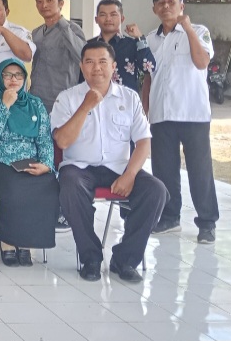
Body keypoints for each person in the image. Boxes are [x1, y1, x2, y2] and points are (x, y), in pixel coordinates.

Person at [53, 42, 167, 282]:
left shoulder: (130, 97)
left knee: (156, 190)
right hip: (80, 168)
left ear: (114, 66)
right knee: (70, 185)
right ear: (81, 67)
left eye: (103, 62)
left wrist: (131, 174)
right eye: (90, 62)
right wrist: (85, 106)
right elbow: (62, 141)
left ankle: (125, 259)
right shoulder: (68, 98)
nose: (97, 68)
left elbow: (144, 141)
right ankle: (91, 258)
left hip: (118, 168)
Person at [145, 0, 218, 243]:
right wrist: (146, 110)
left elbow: (202, 62)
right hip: (161, 114)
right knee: (164, 170)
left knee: (200, 171)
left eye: (171, 2)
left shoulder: (198, 31)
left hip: (193, 113)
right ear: (154, 9)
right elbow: (148, 79)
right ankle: (169, 217)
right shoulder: (150, 40)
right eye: (161, 3)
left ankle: (207, 222)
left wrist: (187, 29)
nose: (166, 6)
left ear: (181, 6)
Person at [0, 59, 57, 266]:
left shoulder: (36, 104)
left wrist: (47, 164)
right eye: (7, 75)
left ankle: (27, 242)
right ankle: (8, 242)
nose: (13, 80)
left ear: (25, 78)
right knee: (13, 188)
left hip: (28, 161)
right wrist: (5, 105)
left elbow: (44, 139)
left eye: (18, 75)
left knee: (46, 184)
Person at [29, 0, 85, 113]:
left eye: (49, 0)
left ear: (61, 3)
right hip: (36, 97)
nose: (44, 5)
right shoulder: (36, 32)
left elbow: (82, 56)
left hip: (62, 98)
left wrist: (63, 24)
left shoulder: (73, 29)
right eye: (39, 1)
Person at [93, 0, 155, 99]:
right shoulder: (89, 46)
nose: (108, 19)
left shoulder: (133, 44)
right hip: (95, 102)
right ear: (96, 19)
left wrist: (140, 38)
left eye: (113, 15)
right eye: (103, 15)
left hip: (126, 103)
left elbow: (149, 68)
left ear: (122, 19)